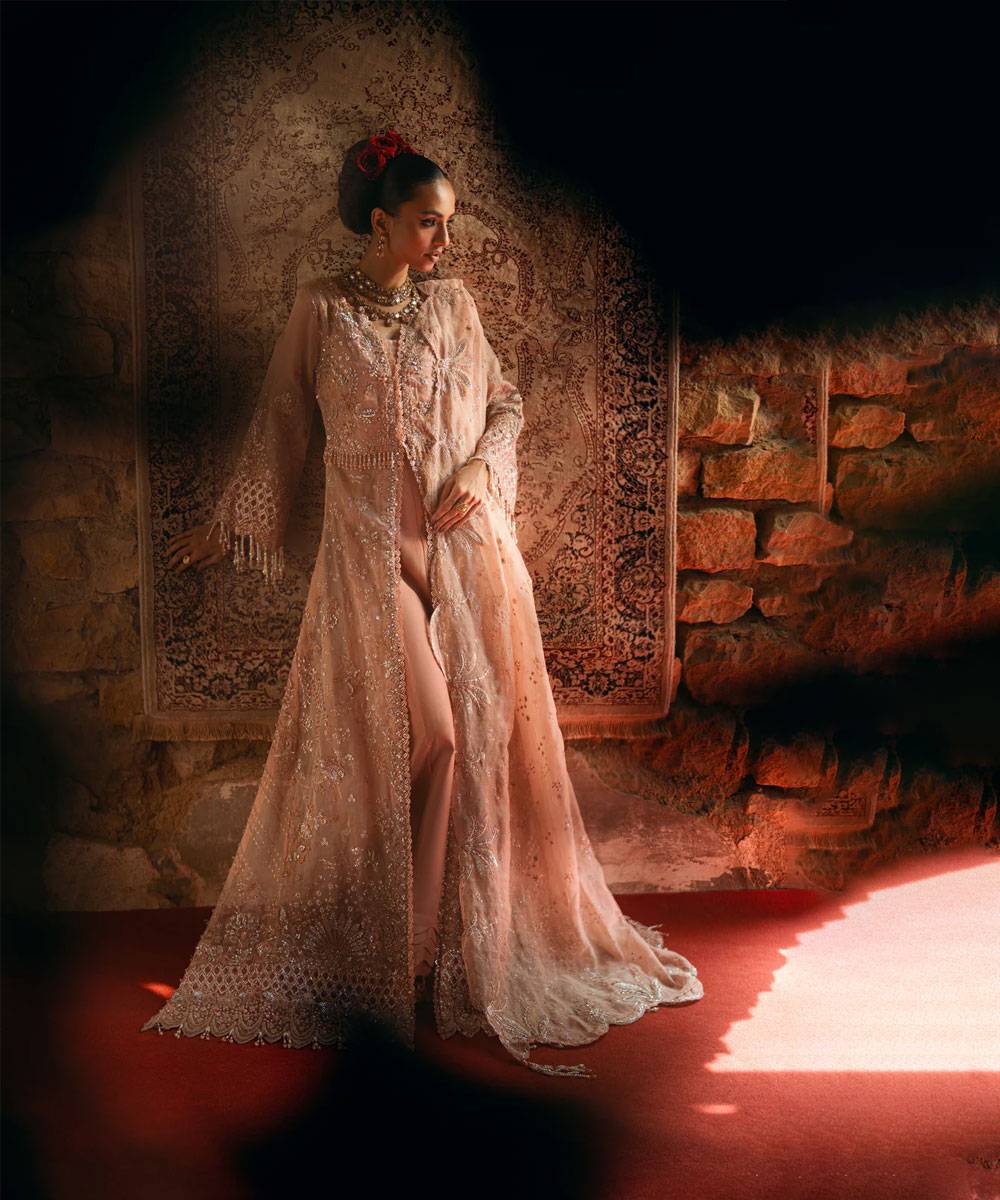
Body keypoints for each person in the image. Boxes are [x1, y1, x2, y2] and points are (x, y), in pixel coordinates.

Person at [141, 130, 703, 1077]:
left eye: (448, 224)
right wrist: (233, 523)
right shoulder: (321, 308)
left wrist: (482, 466)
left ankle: (441, 948)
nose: (446, 240)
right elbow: (282, 419)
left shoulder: (455, 306)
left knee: (479, 741)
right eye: (430, 223)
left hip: (465, 554)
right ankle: (395, 953)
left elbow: (506, 402)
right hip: (369, 558)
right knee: (435, 737)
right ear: (381, 224)